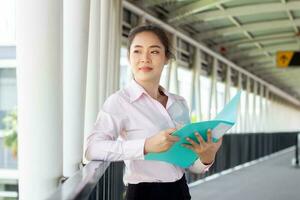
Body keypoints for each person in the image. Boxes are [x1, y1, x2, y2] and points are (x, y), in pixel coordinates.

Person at [85, 24, 223, 200]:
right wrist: (145, 145)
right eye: (137, 51)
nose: (145, 58)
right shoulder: (120, 102)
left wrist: (207, 156)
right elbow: (92, 149)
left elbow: (189, 164)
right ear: (129, 57)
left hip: (180, 191)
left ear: (166, 58)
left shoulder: (179, 103)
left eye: (154, 51)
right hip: (143, 194)